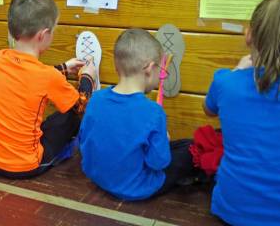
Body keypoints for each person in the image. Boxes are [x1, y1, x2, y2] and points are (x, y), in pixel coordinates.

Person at [203, 0, 280, 226]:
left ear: (249, 35)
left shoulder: (226, 82)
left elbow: (208, 110)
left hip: (233, 209)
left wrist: (237, 70)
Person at [0, 0, 95, 178]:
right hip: (23, 165)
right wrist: (88, 77)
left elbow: (29, 78)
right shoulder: (48, 76)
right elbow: (81, 106)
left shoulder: (1, 57)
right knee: (69, 118)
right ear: (43, 35)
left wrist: (63, 68)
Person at [79, 28, 198, 200]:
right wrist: (163, 140)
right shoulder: (153, 112)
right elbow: (158, 163)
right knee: (189, 149)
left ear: (116, 66)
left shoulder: (96, 99)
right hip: (136, 188)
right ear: (150, 68)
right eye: (160, 68)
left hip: (98, 178)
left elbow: (85, 142)